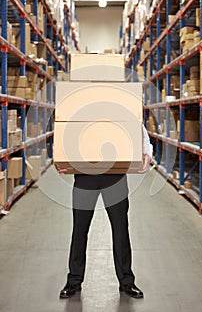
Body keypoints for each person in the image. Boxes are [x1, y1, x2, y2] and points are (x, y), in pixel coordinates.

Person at [57, 124, 153, 299]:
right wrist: (60, 158)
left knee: (120, 228)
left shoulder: (119, 100)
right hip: (85, 173)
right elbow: (65, 125)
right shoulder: (80, 101)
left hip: (114, 173)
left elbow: (136, 124)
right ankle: (74, 280)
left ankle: (126, 281)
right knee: (80, 229)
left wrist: (146, 152)